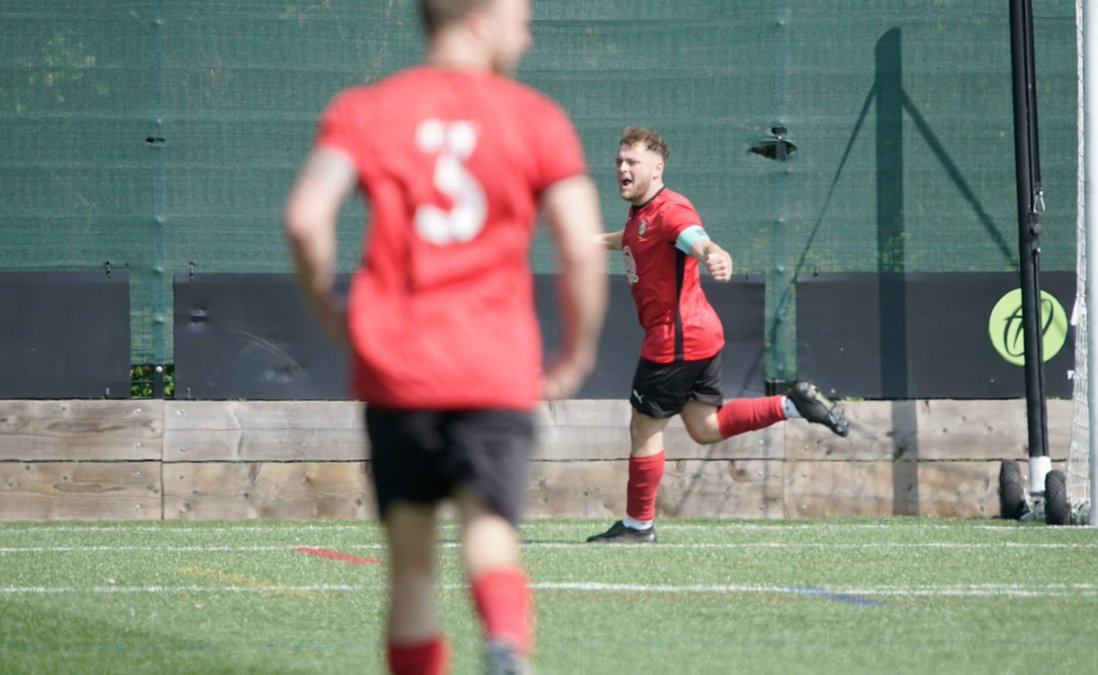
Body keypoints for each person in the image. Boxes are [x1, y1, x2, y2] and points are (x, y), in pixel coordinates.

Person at [284, 1, 608, 673]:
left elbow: (305, 217)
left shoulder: (367, 109)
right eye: (521, 14)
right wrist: (576, 353)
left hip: (397, 367)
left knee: (410, 565)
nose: (529, 30)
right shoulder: (536, 118)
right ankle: (506, 644)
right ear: (479, 20)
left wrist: (328, 310)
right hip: (494, 367)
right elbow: (581, 246)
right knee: (490, 534)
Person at [588, 126, 848, 545]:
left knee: (644, 428)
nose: (621, 167)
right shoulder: (644, 214)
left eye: (631, 162)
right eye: (619, 160)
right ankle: (792, 405)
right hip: (701, 333)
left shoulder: (671, 209)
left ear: (657, 169)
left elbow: (695, 238)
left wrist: (715, 254)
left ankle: (638, 527)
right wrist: (596, 241)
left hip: (675, 339)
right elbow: (638, 239)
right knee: (704, 427)